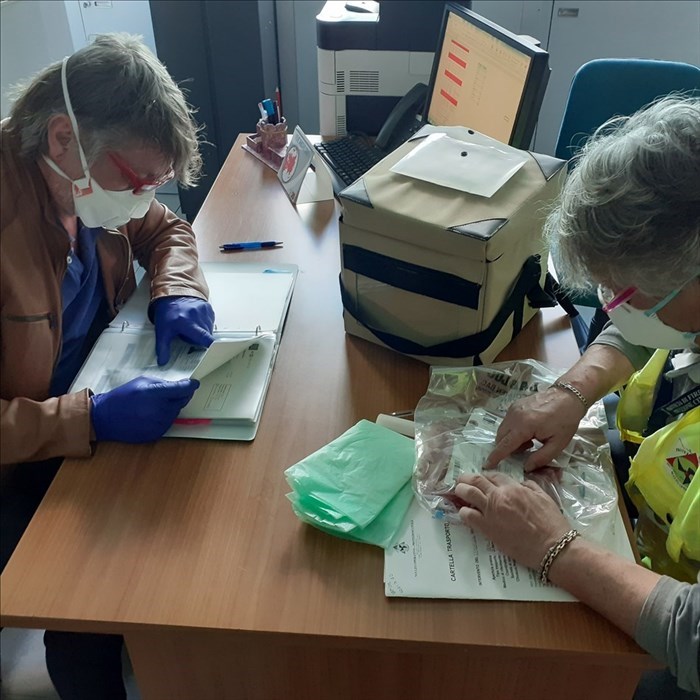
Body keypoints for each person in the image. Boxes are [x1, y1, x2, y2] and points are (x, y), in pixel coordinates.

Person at [456, 95, 699, 697]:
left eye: (622, 291)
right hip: (644, 509)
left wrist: (553, 547)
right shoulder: (680, 292)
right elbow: (641, 325)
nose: (610, 308)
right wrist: (571, 390)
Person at [1, 34, 216, 699]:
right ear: (63, 136)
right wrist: (88, 417)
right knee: (95, 588)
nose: (143, 196)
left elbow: (165, 230)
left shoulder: (84, 183)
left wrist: (176, 289)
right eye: (136, 179)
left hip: (89, 400)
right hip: (22, 455)